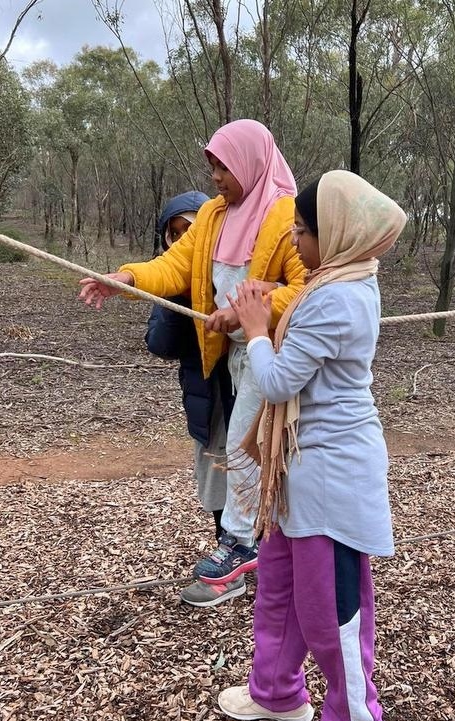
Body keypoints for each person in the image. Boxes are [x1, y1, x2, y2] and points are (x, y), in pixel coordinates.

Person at [218, 170, 407, 721]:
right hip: (297, 469)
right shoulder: (338, 280)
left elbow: (275, 379)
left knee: (331, 607)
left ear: (340, 235)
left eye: (302, 231)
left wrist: (252, 330)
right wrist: (250, 309)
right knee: (278, 588)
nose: (295, 241)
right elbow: (292, 305)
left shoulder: (338, 297)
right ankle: (276, 692)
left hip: (330, 474)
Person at [78, 119, 306, 607]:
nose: (217, 177)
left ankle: (242, 546)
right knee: (237, 446)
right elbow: (177, 264)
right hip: (228, 355)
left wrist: (246, 314)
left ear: (250, 161)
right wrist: (128, 278)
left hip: (273, 353)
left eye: (224, 166)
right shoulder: (214, 216)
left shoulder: (287, 217)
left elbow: (306, 289)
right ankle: (267, 555)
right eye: (213, 167)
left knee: (251, 445)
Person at [145, 191, 234, 544]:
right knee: (215, 474)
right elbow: (161, 343)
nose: (185, 240)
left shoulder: (233, 270)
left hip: (247, 392)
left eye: (192, 230)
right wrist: (177, 293)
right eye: (176, 233)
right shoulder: (168, 281)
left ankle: (262, 557)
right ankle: (226, 547)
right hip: (206, 398)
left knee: (254, 475)